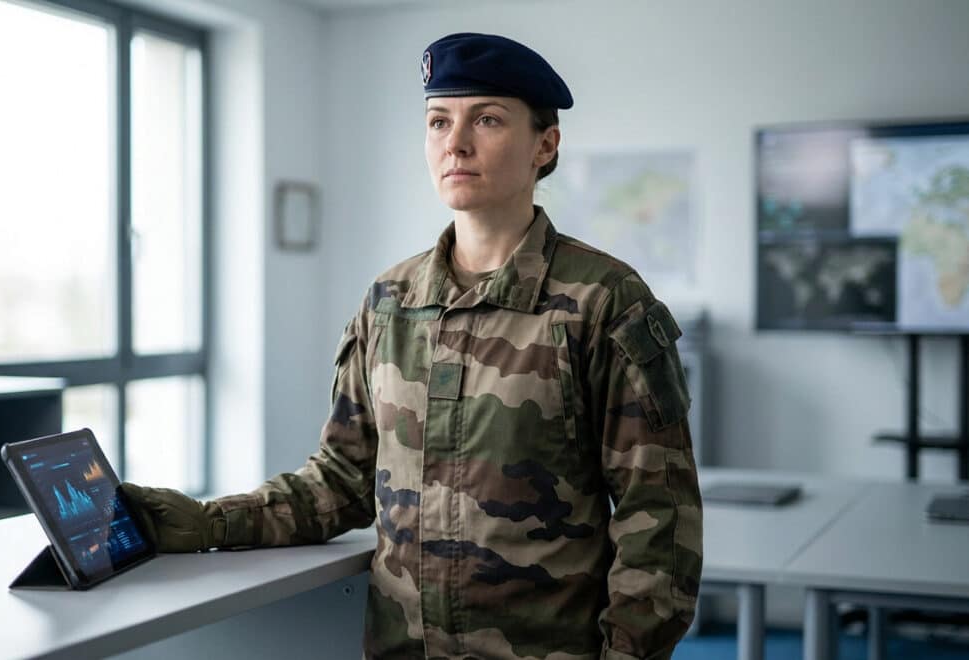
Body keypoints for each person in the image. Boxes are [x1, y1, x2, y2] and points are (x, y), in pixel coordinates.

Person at [121, 32, 703, 660]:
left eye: (486, 119)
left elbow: (658, 519)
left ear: (545, 143)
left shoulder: (604, 301)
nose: (455, 142)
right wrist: (208, 523)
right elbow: (341, 481)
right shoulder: (390, 302)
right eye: (437, 121)